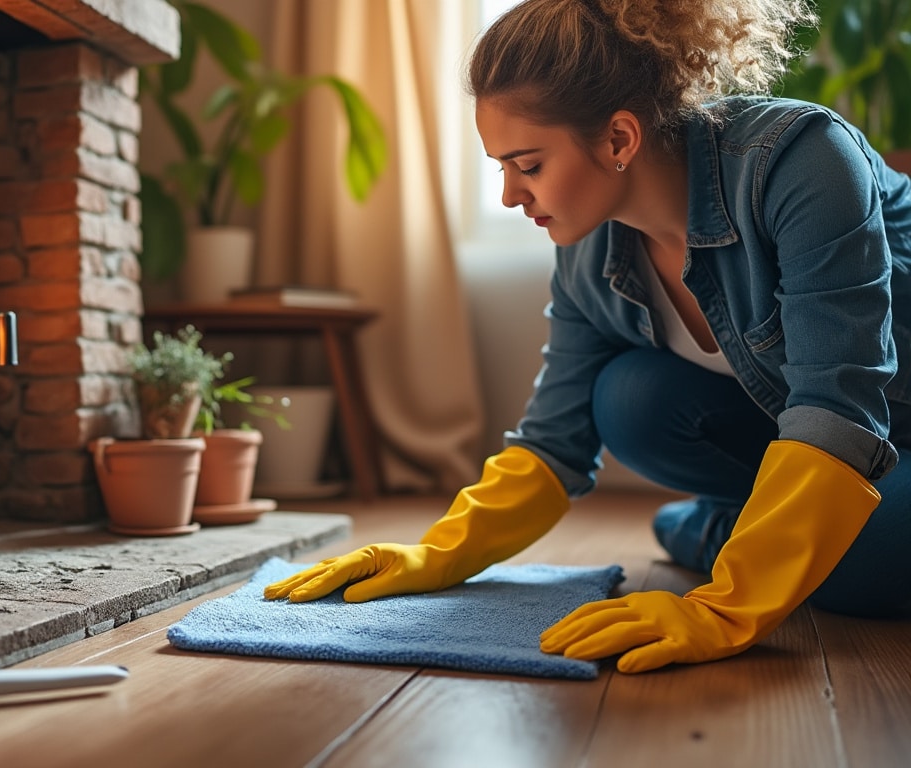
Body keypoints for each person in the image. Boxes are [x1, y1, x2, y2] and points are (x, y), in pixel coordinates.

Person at [264, 0, 911, 674]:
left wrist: (724, 605)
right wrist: (438, 552)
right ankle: (749, 527)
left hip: (876, 427)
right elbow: (555, 439)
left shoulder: (800, 162)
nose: (513, 195)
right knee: (626, 398)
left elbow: (839, 407)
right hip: (813, 438)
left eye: (529, 165)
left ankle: (719, 531)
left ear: (620, 140)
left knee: (871, 566)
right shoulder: (587, 250)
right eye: (502, 169)